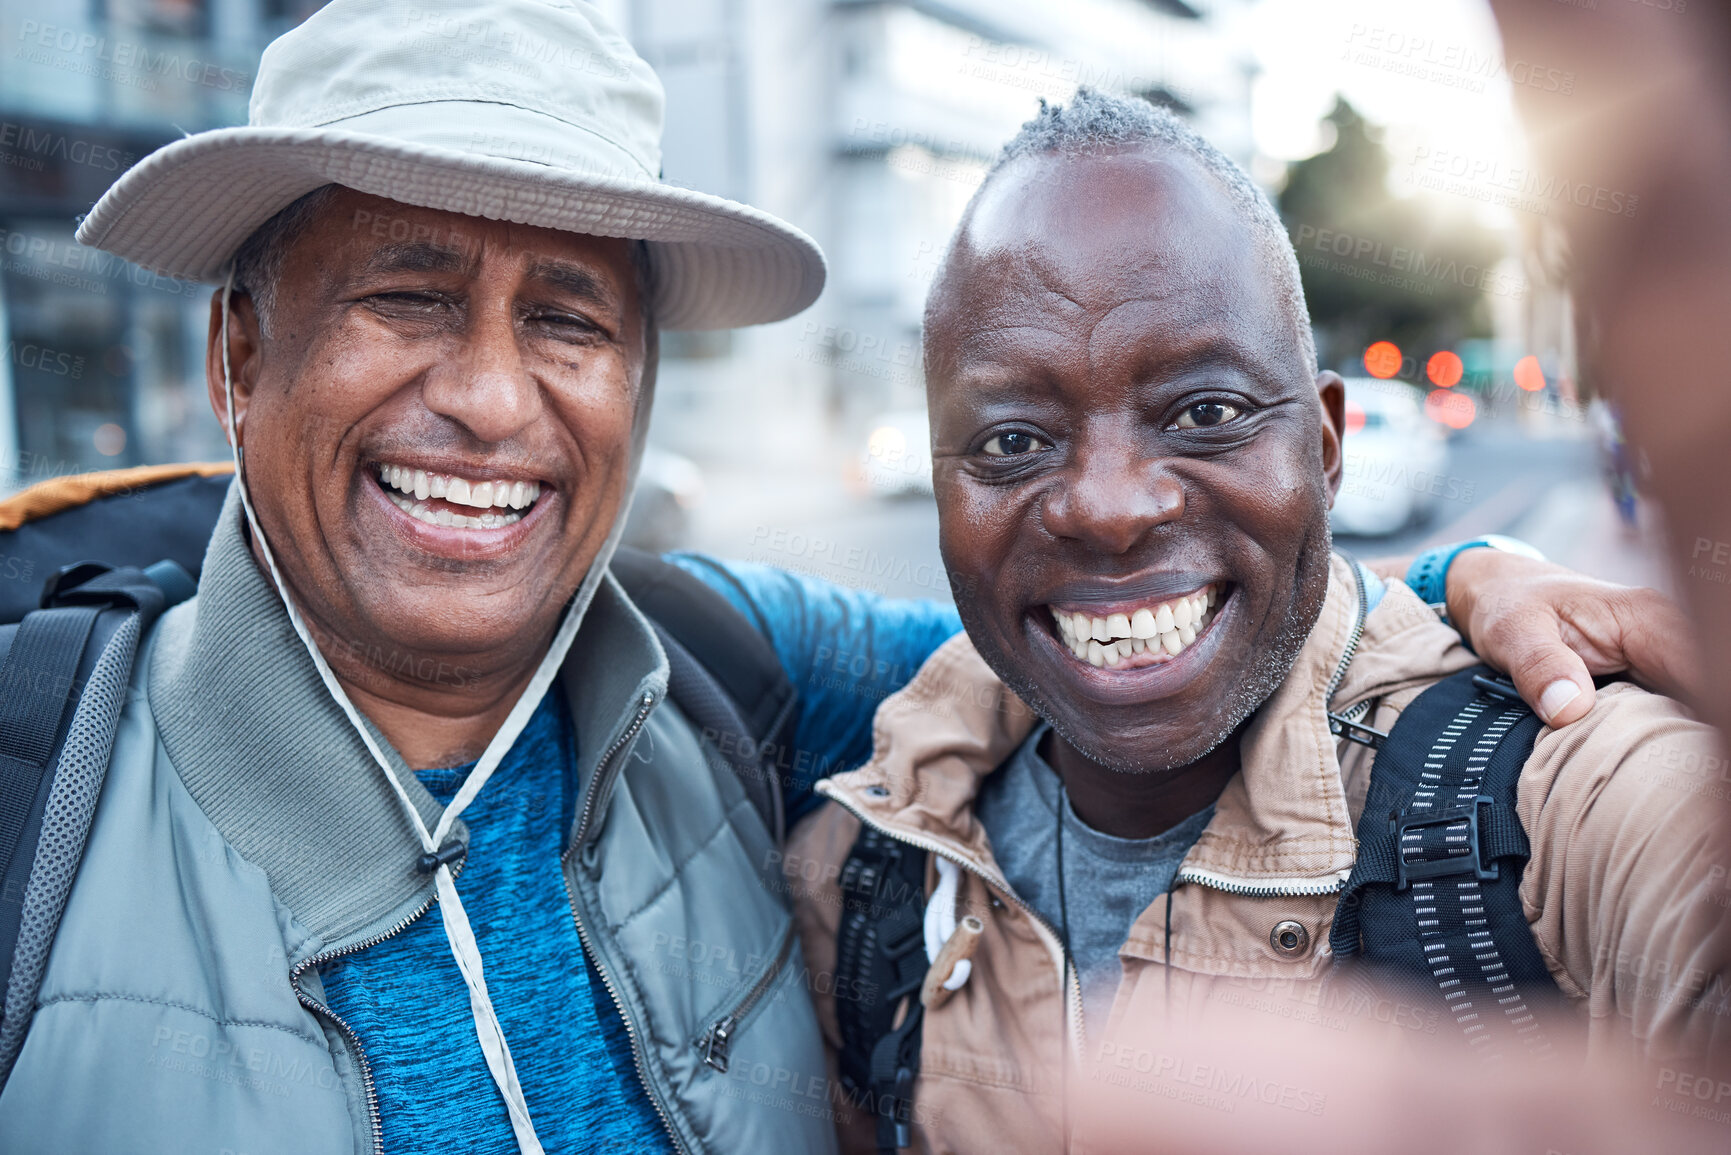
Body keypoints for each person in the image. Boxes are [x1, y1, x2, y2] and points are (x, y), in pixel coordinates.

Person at [0, 4, 1697, 1151]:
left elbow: (1127, 643)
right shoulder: (36, 813)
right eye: (407, 296)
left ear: (640, 385)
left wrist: (1469, 580)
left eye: (572, 320)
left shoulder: (733, 681)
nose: (496, 398)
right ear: (240, 353)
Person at [785, 89, 1729, 1153]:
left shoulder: (1561, 792)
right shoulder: (867, 864)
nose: (1109, 506)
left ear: (1325, 450)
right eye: (1011, 440)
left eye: (1207, 413)